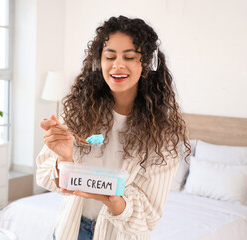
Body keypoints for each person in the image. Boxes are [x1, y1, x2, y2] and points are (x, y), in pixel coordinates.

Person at [36, 15, 190, 240]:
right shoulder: (77, 112)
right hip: (71, 230)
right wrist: (64, 158)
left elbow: (148, 217)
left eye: (129, 57)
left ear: (146, 64)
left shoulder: (163, 135)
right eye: (110, 56)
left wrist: (114, 200)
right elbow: (45, 177)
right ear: (99, 61)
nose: (118, 65)